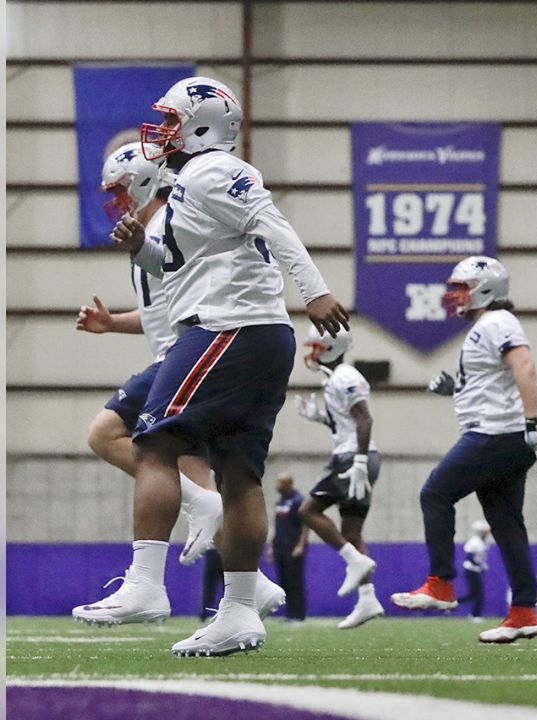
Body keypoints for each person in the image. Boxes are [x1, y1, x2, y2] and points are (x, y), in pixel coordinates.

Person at [117, 76, 349, 656]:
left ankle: (146, 584)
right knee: (238, 476)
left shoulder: (213, 170)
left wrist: (314, 291)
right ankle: (241, 611)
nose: (163, 130)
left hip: (229, 327)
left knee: (153, 445)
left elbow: (274, 223)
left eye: (171, 119)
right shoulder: (186, 183)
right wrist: (138, 246)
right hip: (249, 331)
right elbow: (174, 266)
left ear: (203, 124)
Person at [73, 142, 285, 627]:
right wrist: (114, 324)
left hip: (194, 352)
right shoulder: (150, 228)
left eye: (120, 188)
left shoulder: (176, 217)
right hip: (191, 351)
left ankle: (170, 568)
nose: (115, 199)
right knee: (210, 476)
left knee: (110, 435)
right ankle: (256, 590)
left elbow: (197, 294)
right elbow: (161, 307)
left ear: (147, 178)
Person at [390, 256, 537, 644]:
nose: (454, 296)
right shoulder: (488, 326)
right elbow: (492, 380)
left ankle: (441, 584)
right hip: (505, 436)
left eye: (461, 288)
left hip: (496, 434)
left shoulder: (498, 322)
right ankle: (524, 611)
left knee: (435, 493)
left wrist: (532, 422)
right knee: (508, 525)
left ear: (484, 289)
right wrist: (457, 388)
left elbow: (524, 367)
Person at [294, 327, 384, 630]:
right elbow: (347, 420)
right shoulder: (336, 378)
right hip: (357, 456)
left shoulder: (344, 376)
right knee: (353, 532)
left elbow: (364, 418)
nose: (313, 352)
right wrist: (320, 417)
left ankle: (355, 561)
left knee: (307, 510)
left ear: (331, 347)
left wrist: (358, 460)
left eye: (318, 346)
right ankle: (368, 598)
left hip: (352, 458)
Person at [272, 474, 309, 622]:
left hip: (293, 547)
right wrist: (272, 545)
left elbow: (306, 525)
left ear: (288, 483)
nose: (277, 485)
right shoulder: (280, 502)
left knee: (295, 581)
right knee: (284, 581)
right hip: (280, 546)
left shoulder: (298, 500)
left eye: (280, 482)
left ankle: (298, 614)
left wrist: (301, 545)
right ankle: (289, 613)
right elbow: (278, 526)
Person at [458, 521, 492, 620]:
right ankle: (476, 615)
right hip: (471, 570)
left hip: (476, 570)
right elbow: (469, 558)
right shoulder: (474, 542)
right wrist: (480, 565)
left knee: (473, 595)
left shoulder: (482, 542)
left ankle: (452, 604)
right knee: (477, 594)